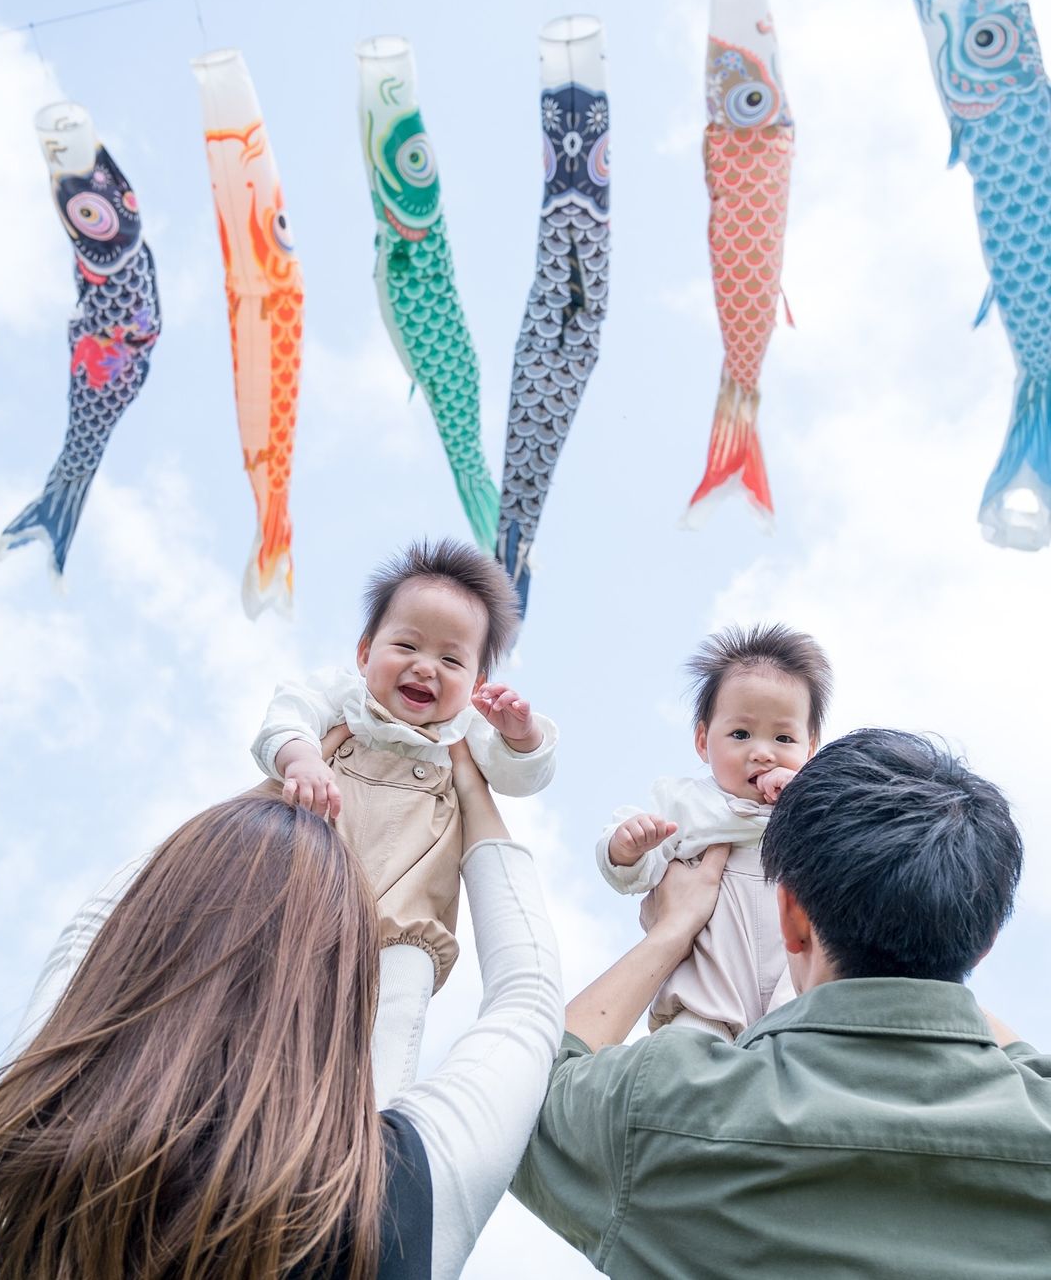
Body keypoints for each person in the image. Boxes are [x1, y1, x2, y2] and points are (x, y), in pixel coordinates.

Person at [0, 747, 562, 1280]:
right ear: (354, 984)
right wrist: (471, 791)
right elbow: (528, 996)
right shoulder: (399, 1193)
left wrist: (298, 765)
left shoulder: (39, 1128)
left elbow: (95, 932)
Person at [514, 728, 1051, 1278]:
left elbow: (518, 1094)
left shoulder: (663, 1105)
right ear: (986, 944)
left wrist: (673, 930)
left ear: (790, 916)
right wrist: (942, 950)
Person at [251, 538, 558, 1099]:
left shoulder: (466, 734)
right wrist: (301, 759)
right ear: (365, 652)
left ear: (476, 685)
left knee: (393, 1012)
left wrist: (522, 735)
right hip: (300, 887)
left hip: (404, 920)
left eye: (451, 660)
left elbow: (522, 777)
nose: (425, 667)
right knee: (261, 993)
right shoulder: (344, 700)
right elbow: (287, 715)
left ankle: (372, 1111)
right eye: (407, 645)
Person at [596, 623, 831, 1038]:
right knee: (685, 1057)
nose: (762, 752)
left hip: (795, 1007)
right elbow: (639, 870)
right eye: (741, 734)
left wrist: (804, 799)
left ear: (809, 748)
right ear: (704, 741)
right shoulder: (688, 804)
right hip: (705, 1003)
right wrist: (628, 847)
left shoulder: (815, 811)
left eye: (783, 737)